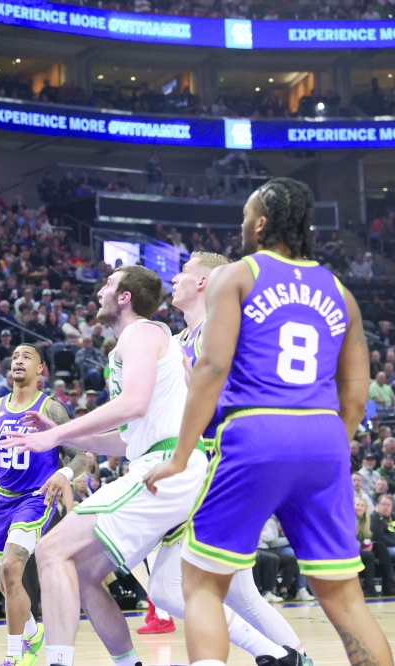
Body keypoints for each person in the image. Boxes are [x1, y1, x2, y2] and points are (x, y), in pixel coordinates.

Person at [145, 178, 392, 666]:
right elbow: (357, 396)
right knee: (345, 599)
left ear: (261, 223)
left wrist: (179, 456)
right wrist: (327, 446)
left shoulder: (236, 275)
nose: (240, 225)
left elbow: (212, 369)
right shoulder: (342, 293)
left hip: (257, 432)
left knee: (200, 585)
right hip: (324, 439)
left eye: (244, 216)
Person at [0, 266, 211, 666]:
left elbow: (133, 404)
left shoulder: (140, 333)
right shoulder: (140, 343)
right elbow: (126, 438)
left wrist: (54, 437)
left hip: (165, 466)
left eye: (109, 285)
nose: (100, 292)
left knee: (50, 551)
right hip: (162, 462)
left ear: (126, 297)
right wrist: (63, 433)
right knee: (83, 575)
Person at [146, 249, 316, 649]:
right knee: (241, 594)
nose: (174, 278)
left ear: (203, 281)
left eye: (184, 271)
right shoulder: (176, 341)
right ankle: (296, 657)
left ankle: (275, 654)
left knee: (167, 587)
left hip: (220, 466)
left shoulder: (223, 331)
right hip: (202, 466)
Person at [0, 343, 76, 666]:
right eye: (15, 356)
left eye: (27, 357)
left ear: (40, 370)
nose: (18, 360)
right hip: (2, 501)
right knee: (8, 582)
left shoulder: (52, 409)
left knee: (10, 567)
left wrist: (64, 473)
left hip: (36, 499)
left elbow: (81, 455)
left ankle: (16, 655)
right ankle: (33, 631)